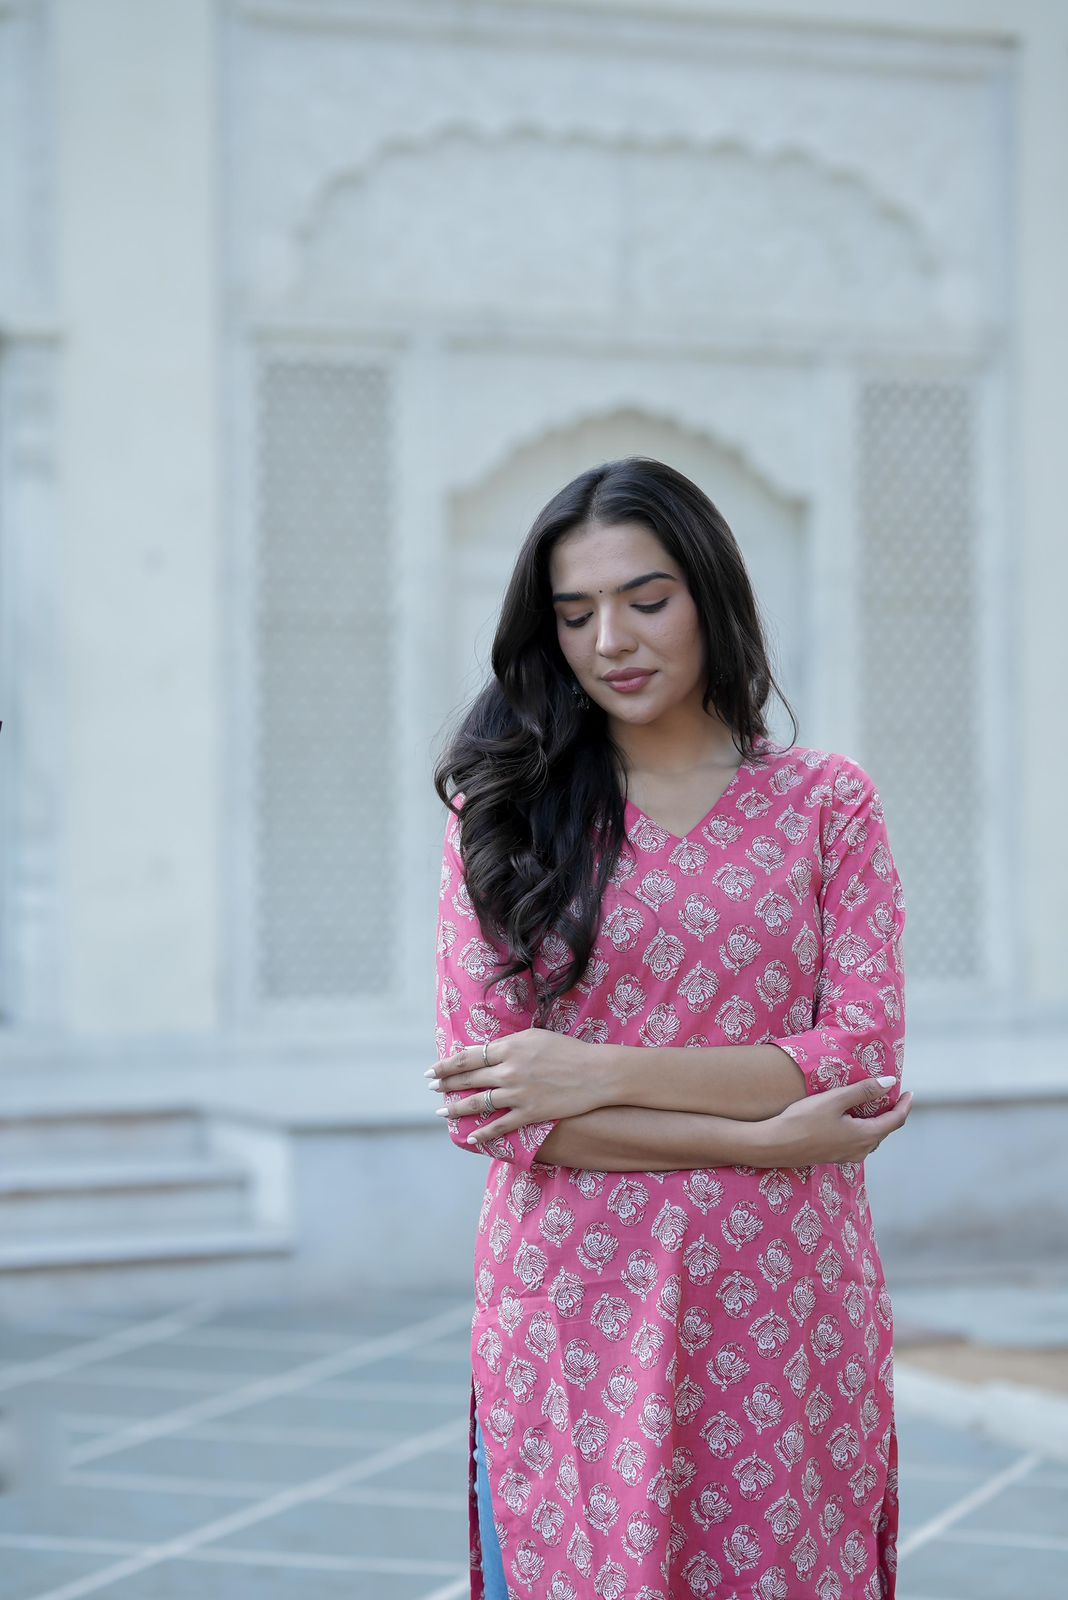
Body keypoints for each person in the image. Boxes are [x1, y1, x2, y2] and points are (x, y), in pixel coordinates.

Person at [429, 457, 913, 1600]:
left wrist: (588, 1070)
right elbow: (495, 1108)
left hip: (786, 1299)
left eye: (646, 600)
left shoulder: (826, 803)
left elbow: (858, 1054)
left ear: (710, 593)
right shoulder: (504, 812)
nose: (612, 641)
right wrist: (762, 1139)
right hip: (577, 1299)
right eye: (576, 613)